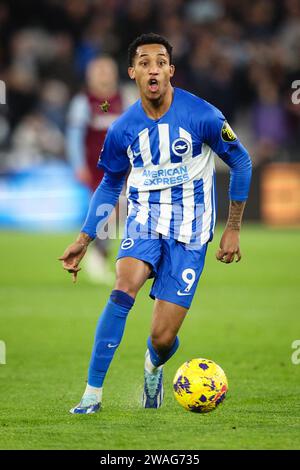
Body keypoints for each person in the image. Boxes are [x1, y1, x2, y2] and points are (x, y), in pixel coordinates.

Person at [59, 33, 252, 414]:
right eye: (145, 62)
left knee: (162, 338)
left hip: (191, 234)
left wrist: (233, 228)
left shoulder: (203, 115)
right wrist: (84, 239)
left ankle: (153, 368)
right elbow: (110, 183)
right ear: (132, 72)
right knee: (123, 285)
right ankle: (92, 395)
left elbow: (241, 162)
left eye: (161, 62)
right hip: (144, 224)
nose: (154, 69)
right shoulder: (122, 129)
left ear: (170, 71)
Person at [66, 56, 124, 283]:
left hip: (122, 168)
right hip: (96, 168)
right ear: (90, 76)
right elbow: (74, 137)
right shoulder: (83, 102)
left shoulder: (124, 99)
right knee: (106, 214)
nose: (103, 76)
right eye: (98, 71)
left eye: (106, 71)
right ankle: (97, 256)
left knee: (115, 214)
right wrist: (78, 165)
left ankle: (98, 254)